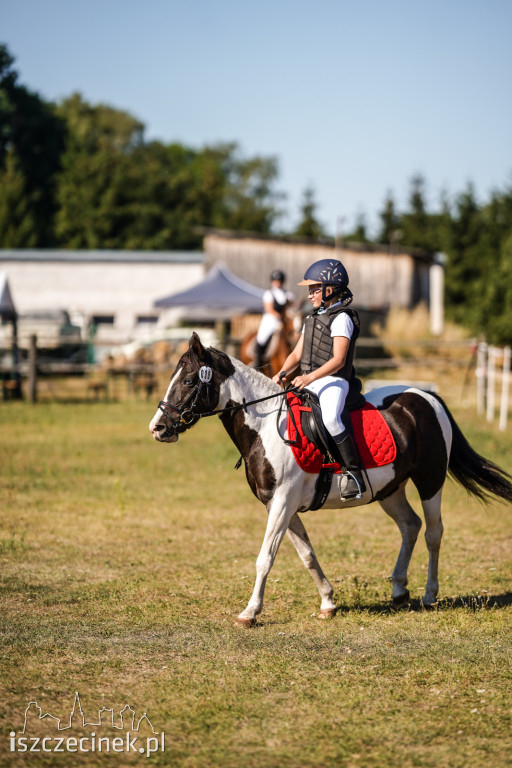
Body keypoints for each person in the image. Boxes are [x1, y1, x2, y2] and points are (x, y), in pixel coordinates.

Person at [272, 258, 366, 501]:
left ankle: (354, 474)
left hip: (334, 380)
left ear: (330, 289)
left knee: (332, 418)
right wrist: (281, 372)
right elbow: (296, 353)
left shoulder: (342, 318)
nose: (310, 294)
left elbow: (338, 360)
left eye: (314, 289)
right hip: (311, 379)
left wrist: (308, 377)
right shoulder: (312, 318)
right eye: (309, 289)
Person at [253, 270, 295, 370]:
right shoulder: (268, 293)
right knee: (262, 338)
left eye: (279, 280)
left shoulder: (288, 294)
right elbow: (269, 309)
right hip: (271, 320)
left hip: (285, 321)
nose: (278, 282)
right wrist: (280, 317)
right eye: (276, 280)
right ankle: (258, 362)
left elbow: (291, 308)